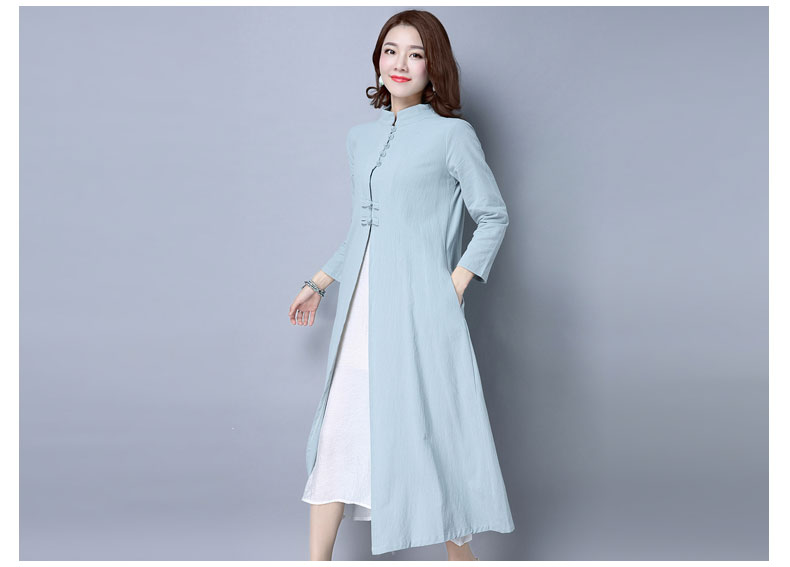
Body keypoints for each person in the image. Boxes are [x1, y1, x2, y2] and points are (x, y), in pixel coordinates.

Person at [289, 9, 514, 561]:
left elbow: (493, 215)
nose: (401, 63)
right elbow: (363, 229)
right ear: (377, 60)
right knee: (339, 433)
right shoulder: (359, 139)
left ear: (433, 67)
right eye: (391, 51)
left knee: (436, 436)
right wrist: (319, 282)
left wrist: (453, 284)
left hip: (419, 311)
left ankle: (460, 559)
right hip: (360, 313)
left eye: (416, 54)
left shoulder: (452, 136)